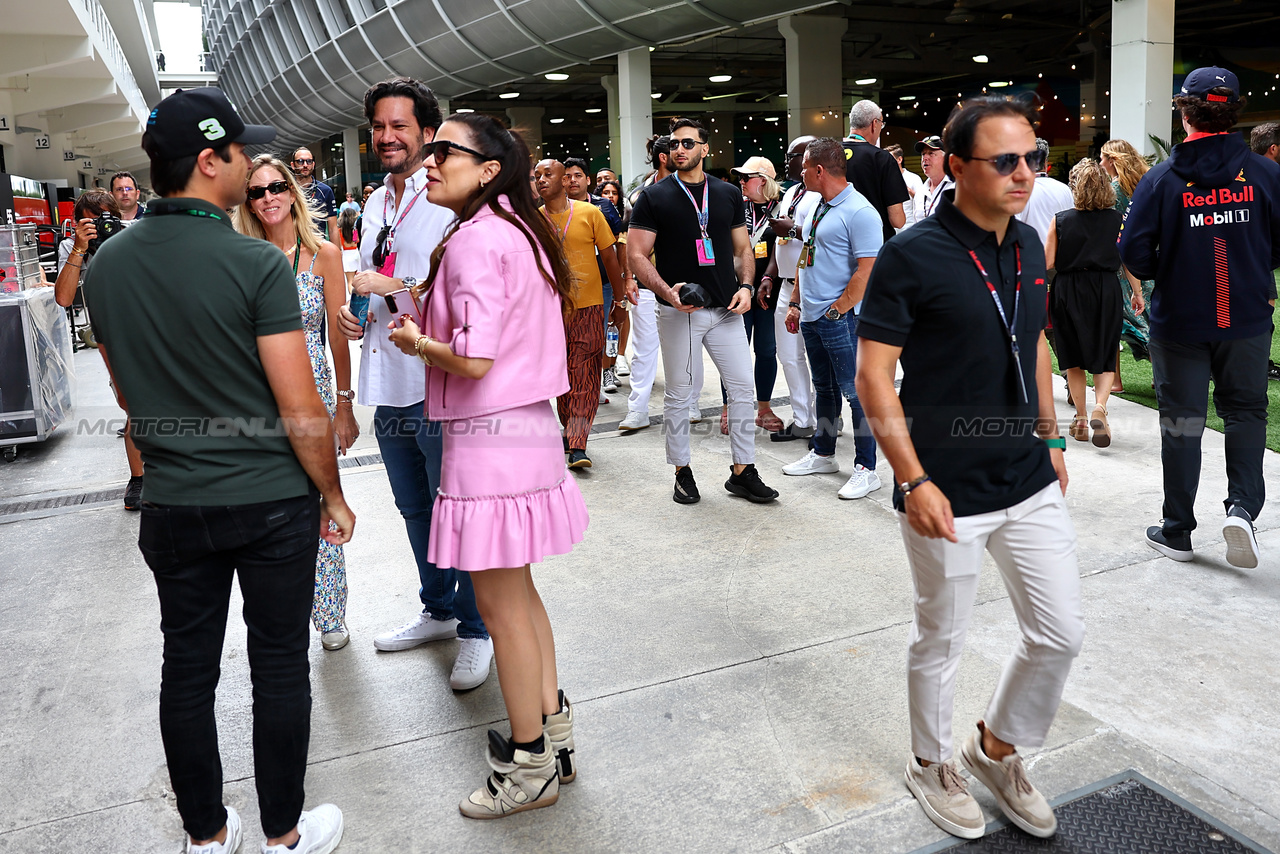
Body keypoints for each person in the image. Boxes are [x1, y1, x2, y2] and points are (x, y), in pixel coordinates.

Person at [83, 86, 350, 854]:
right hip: (270, 501)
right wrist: (331, 493)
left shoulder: (107, 265)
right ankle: (284, 835)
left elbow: (132, 396)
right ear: (209, 161)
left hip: (174, 502)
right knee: (277, 667)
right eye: (237, 153)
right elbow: (301, 408)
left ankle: (205, 837)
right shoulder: (253, 265)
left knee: (187, 670)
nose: (247, 166)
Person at [857, 95, 1081, 842]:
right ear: (957, 167)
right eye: (1006, 161)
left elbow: (1036, 340)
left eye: (1034, 159)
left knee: (1059, 635)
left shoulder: (1027, 243)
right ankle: (930, 763)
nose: (1025, 174)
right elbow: (873, 378)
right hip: (945, 486)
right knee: (942, 639)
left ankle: (995, 749)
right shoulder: (912, 253)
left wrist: (1052, 440)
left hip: (1028, 476)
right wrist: (914, 480)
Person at [385, 112, 589, 819]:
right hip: (525, 432)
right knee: (521, 600)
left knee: (502, 611)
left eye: (446, 150)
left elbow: (473, 358)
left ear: (490, 168)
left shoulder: (476, 240)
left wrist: (416, 342)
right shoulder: (518, 231)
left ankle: (530, 765)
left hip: (486, 439)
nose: (430, 160)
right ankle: (553, 737)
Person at [334, 77, 493, 689]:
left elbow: (458, 292)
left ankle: (478, 628)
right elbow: (380, 270)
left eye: (400, 126)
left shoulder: (449, 198)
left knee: (456, 508)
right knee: (414, 507)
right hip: (389, 376)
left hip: (437, 379)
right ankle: (440, 609)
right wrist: (358, 304)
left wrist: (396, 289)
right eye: (379, 126)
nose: (387, 137)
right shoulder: (377, 201)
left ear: (429, 134)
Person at [1119, 66, 1280, 570]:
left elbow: (1134, 253)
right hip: (1246, 316)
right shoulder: (1265, 173)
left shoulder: (1161, 179)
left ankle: (1178, 530)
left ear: (1184, 111)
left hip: (1182, 321)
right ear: (1233, 111)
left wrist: (1178, 260)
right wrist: (1251, 265)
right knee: (1247, 410)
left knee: (1184, 423)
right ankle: (1241, 510)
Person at [235, 153, 359, 651]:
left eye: (275, 187)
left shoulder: (322, 254)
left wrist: (345, 404)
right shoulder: (241, 256)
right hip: (257, 399)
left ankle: (329, 611)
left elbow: (337, 334)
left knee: (325, 500)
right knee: (269, 507)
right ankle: (282, 612)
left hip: (316, 397)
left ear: (292, 191)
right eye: (257, 191)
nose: (268, 198)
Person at [628, 117, 779, 505]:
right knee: (680, 394)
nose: (680, 149)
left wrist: (746, 286)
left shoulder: (728, 193)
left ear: (705, 148)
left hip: (727, 309)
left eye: (688, 143)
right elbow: (636, 255)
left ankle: (743, 471)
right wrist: (667, 292)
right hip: (680, 312)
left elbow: (743, 250)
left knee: (743, 389)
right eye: (675, 144)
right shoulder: (654, 196)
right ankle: (682, 471)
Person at [780, 138, 883, 499]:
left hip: (841, 318)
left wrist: (837, 309)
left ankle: (867, 468)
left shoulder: (860, 211)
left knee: (856, 394)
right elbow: (806, 254)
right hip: (813, 315)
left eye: (804, 167)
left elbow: (868, 270)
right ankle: (823, 452)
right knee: (823, 388)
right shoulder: (816, 206)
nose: (800, 172)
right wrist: (795, 302)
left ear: (819, 170)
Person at [52, 189, 147, 510]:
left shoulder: (134, 235)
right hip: (114, 339)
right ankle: (139, 479)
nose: (102, 227)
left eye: (108, 219)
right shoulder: (73, 246)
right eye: (92, 222)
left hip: (153, 330)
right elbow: (64, 298)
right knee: (133, 409)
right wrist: (80, 247)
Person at [532, 158, 628, 468]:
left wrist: (621, 301)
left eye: (548, 174)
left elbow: (611, 260)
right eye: (537, 176)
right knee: (561, 375)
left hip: (589, 307)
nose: (541, 180)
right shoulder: (534, 221)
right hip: (550, 311)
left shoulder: (590, 213)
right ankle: (570, 429)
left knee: (585, 373)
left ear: (564, 180)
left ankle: (578, 442)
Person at [1045, 158, 1139, 448]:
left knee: (1072, 356)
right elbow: (1127, 260)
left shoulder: (1061, 220)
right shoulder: (1117, 219)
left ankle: (1082, 419)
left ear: (1076, 188)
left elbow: (1046, 262)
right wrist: (1137, 292)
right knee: (1105, 350)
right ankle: (1100, 407)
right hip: (1105, 288)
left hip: (1068, 288)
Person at [619, 134, 683, 431]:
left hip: (684, 282)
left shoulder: (694, 188)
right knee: (644, 349)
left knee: (685, 349)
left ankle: (690, 403)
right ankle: (638, 409)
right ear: (663, 157)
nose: (683, 154)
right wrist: (629, 277)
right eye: (677, 149)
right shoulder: (642, 193)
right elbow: (627, 239)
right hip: (648, 283)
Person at [762, 134, 818, 442]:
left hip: (812, 286)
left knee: (817, 357)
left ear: (810, 159)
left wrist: (793, 229)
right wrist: (769, 275)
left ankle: (826, 419)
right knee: (789, 356)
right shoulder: (792, 192)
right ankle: (802, 420)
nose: (788, 161)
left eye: (793, 156)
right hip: (785, 285)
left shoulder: (821, 195)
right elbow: (779, 243)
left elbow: (823, 238)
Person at [726, 155, 785, 434]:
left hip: (767, 292)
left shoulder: (784, 207)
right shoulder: (735, 205)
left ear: (763, 181)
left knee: (766, 349)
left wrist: (767, 279)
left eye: (745, 177)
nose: (740, 182)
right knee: (734, 351)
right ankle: (729, 409)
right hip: (736, 290)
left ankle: (764, 408)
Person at [1101, 138, 1155, 390]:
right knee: (1152, 319)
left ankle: (1115, 382)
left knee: (1117, 323)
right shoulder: (1147, 183)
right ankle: (1161, 378)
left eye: (1103, 158)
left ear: (1113, 160)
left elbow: (1115, 235)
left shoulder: (1113, 190)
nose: (1101, 163)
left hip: (1124, 267)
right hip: (1151, 260)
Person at [842, 100, 909, 241]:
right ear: (874, 124)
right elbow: (897, 220)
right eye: (881, 124)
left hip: (838, 242)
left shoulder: (830, 155)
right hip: (874, 243)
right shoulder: (882, 158)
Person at [598, 178, 633, 379]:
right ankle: (605, 371)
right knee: (603, 325)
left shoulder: (624, 222)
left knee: (617, 322)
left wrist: (627, 279)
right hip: (600, 280)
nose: (610, 196)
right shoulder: (593, 214)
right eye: (605, 192)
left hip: (619, 281)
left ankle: (616, 362)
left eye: (614, 192)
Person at [1014, 138, 1074, 248]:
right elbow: (1072, 229)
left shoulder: (1019, 192)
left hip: (1029, 257)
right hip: (1059, 260)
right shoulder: (1065, 190)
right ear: (1046, 163)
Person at [291, 147, 338, 240]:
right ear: (293, 165)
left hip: (319, 247)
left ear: (313, 164)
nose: (305, 165)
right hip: (294, 247)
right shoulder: (287, 190)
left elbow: (333, 229)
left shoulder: (325, 191)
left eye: (309, 161)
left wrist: (337, 253)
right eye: (300, 161)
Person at [914, 135, 954, 220]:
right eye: (923, 154)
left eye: (931, 153)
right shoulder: (920, 192)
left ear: (946, 158)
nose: (925, 158)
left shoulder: (956, 188)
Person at [886, 143, 924, 230]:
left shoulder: (914, 178)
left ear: (899, 159)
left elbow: (922, 201)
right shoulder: (884, 179)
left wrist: (909, 191)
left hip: (909, 227)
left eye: (890, 159)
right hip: (890, 229)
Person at [336, 206, 360, 290]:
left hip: (346, 256)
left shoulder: (340, 231)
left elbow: (339, 245)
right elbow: (356, 241)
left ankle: (350, 300)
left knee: (349, 282)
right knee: (354, 280)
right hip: (355, 254)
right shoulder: (355, 231)